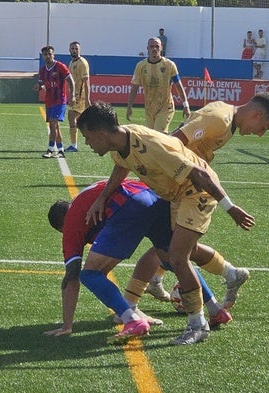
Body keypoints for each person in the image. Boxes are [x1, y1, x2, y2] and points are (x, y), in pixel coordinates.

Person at [78, 102, 255, 345]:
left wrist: (230, 207)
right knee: (174, 253)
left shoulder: (152, 146)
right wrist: (102, 198)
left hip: (197, 193)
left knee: (177, 256)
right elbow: (122, 165)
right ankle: (217, 305)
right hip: (176, 196)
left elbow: (199, 175)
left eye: (88, 138)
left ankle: (198, 325)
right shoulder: (118, 144)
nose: (87, 143)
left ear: (101, 134)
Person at [141, 92, 269, 305]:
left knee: (175, 247)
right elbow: (173, 141)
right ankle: (219, 286)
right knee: (174, 248)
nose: (261, 134)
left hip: (183, 187)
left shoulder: (227, 121)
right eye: (263, 127)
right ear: (256, 114)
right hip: (175, 184)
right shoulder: (220, 119)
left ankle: (151, 287)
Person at [43, 180, 232, 340]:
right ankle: (216, 310)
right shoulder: (85, 198)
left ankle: (131, 319)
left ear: (62, 226)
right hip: (156, 198)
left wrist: (67, 325)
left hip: (131, 207)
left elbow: (71, 277)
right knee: (176, 259)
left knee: (90, 274)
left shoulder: (71, 222)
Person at [126, 37, 190, 133]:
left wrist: (186, 105)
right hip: (149, 110)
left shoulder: (169, 65)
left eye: (157, 46)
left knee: (158, 135)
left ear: (161, 48)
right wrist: (129, 106)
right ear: (147, 48)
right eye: (152, 46)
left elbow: (178, 86)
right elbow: (134, 87)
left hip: (165, 107)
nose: (154, 49)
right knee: (151, 139)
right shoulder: (140, 66)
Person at [33, 45, 75, 158]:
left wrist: (72, 95)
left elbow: (71, 80)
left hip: (60, 100)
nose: (48, 56)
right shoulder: (42, 70)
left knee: (52, 123)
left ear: (53, 54)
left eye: (50, 54)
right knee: (55, 126)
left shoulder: (60, 66)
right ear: (43, 56)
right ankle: (61, 150)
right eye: (45, 54)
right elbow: (42, 84)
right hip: (49, 101)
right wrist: (39, 87)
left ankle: (50, 150)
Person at [64, 41, 91, 153]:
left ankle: (74, 145)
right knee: (81, 122)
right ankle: (94, 138)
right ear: (69, 50)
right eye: (72, 48)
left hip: (80, 96)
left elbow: (87, 82)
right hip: (74, 95)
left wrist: (87, 98)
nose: (74, 50)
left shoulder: (82, 63)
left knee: (71, 117)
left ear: (80, 50)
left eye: (76, 48)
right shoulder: (71, 63)